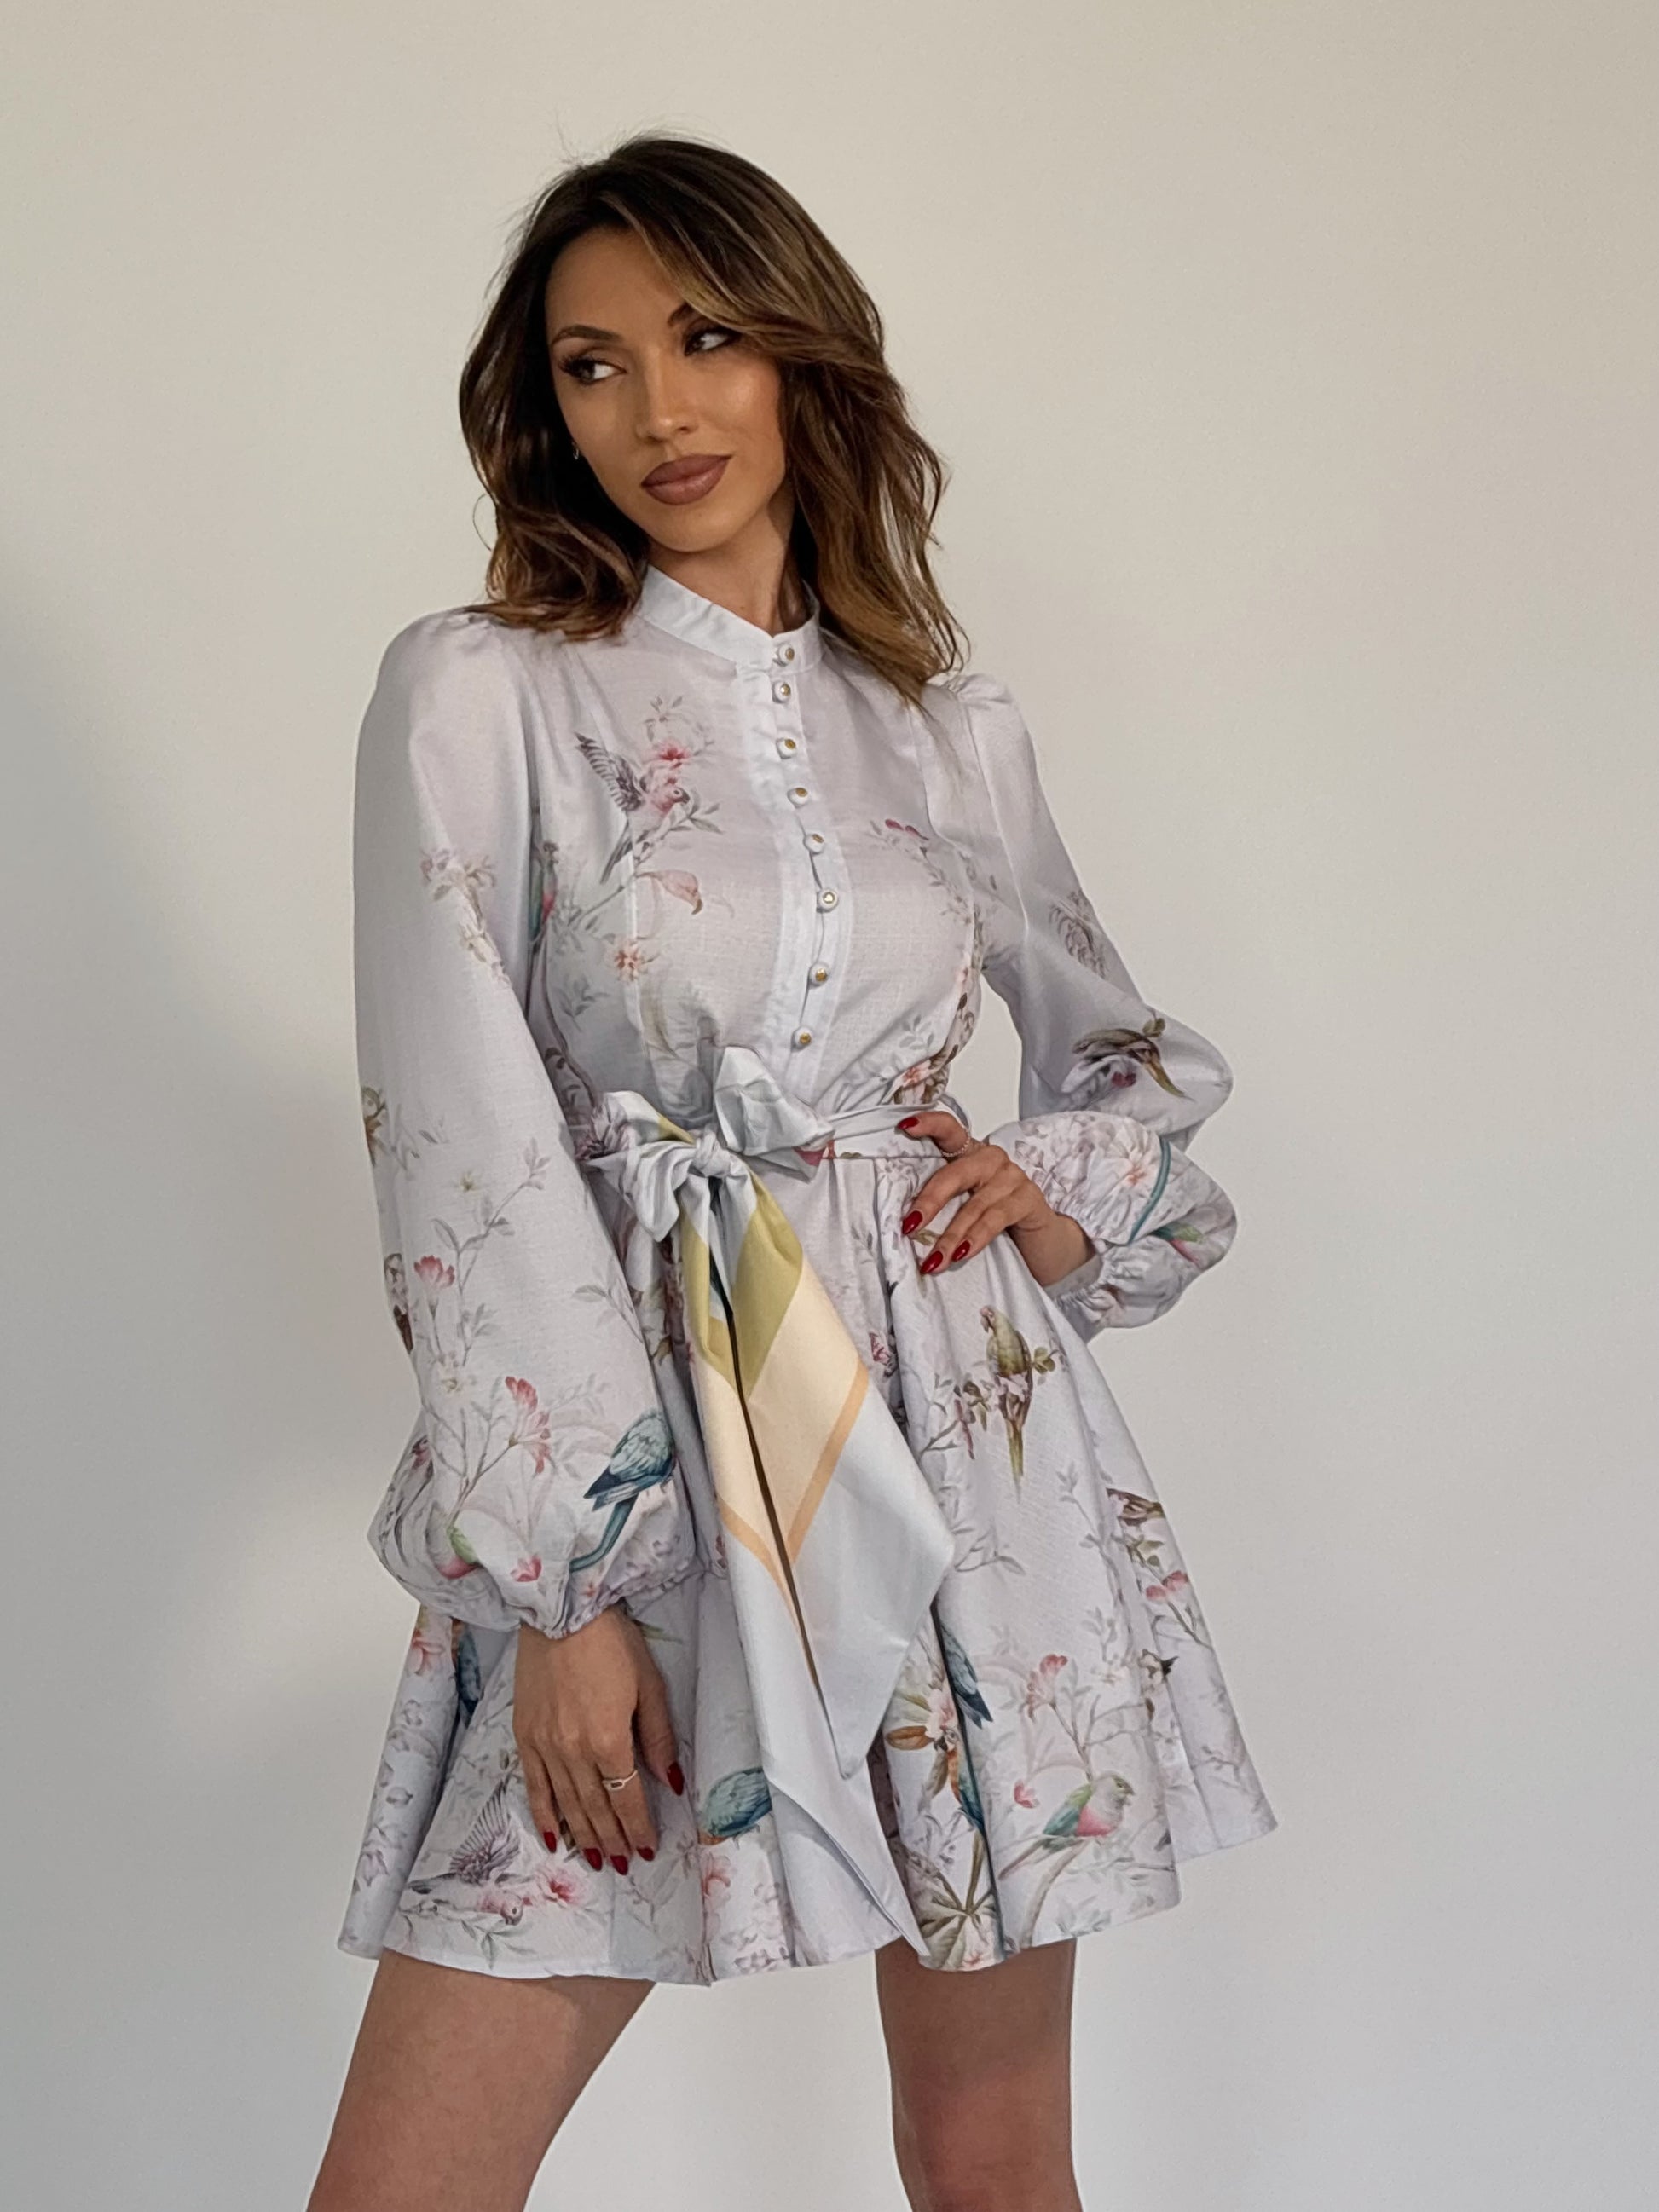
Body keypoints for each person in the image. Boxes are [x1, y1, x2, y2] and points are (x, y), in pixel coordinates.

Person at [308, 130, 1276, 2212]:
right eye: (590, 365)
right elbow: (462, 1152)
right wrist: (567, 1593)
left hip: (965, 1474)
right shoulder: (483, 693)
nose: (654, 410)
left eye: (703, 338)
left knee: (991, 2162)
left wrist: (1049, 1175)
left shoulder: (944, 726)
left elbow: (1126, 1065)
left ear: (801, 354)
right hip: (641, 1479)